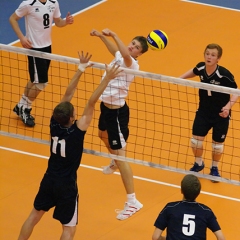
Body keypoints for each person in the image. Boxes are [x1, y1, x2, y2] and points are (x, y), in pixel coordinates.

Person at [17, 52, 122, 240]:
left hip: (49, 179)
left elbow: (67, 94)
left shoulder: (54, 123)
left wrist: (80, 69)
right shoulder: (77, 132)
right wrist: (107, 78)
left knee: (33, 217)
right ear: (73, 118)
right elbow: (91, 102)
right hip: (66, 186)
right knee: (68, 229)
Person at [90, 28, 149, 220]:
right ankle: (115, 160)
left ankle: (132, 201)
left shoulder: (132, 64)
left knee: (122, 156)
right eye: (132, 43)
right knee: (101, 135)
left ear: (139, 54)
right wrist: (101, 37)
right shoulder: (121, 56)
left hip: (116, 113)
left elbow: (123, 53)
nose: (132, 47)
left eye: (136, 47)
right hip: (106, 108)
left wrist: (115, 34)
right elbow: (115, 51)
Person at [9, 0, 74, 127]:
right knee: (41, 83)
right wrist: (22, 38)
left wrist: (66, 22)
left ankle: (20, 106)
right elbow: (12, 19)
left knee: (35, 80)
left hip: (47, 47)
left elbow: (58, 22)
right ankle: (25, 109)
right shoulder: (28, 4)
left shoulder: (53, 2)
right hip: (34, 49)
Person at [179, 43, 238, 181]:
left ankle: (214, 168)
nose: (209, 57)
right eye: (207, 54)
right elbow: (194, 71)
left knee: (217, 146)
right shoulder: (201, 67)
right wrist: (179, 78)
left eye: (213, 55)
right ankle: (199, 163)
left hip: (220, 114)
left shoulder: (224, 75)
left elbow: (236, 92)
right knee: (195, 141)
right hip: (204, 112)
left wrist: (228, 107)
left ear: (218, 59)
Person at [152, 174, 226, 240]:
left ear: (181, 190)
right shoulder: (206, 211)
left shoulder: (170, 208)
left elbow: (155, 237)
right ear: (199, 192)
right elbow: (221, 238)